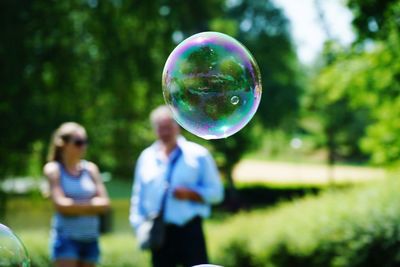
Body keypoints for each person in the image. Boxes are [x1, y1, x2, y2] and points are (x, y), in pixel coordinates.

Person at [130, 105, 224, 267]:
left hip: (190, 231)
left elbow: (217, 193)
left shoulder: (198, 155)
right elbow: (138, 196)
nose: (165, 133)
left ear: (178, 126)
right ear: (155, 130)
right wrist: (139, 226)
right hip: (159, 232)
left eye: (168, 127)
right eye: (161, 128)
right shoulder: (146, 157)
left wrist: (191, 194)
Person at [44, 122, 110, 267]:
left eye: (85, 142)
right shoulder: (53, 169)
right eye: (79, 142)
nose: (83, 146)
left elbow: (105, 204)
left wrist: (73, 205)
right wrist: (92, 205)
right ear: (63, 144)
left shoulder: (91, 169)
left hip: (91, 239)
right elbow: (61, 205)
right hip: (66, 239)